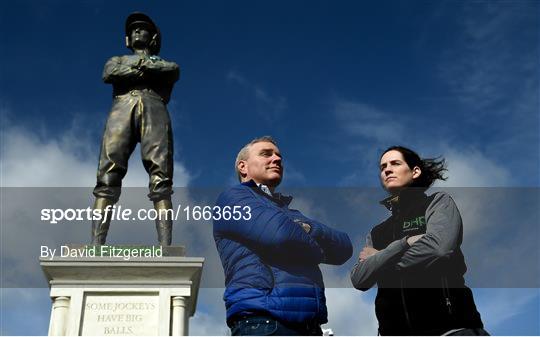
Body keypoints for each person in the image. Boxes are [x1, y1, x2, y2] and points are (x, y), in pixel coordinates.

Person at [213, 136, 353, 336]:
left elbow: (344, 248)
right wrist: (317, 249)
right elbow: (281, 234)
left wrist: (307, 230)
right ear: (243, 167)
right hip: (265, 322)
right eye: (266, 154)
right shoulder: (232, 199)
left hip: (310, 327)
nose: (276, 159)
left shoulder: (291, 212)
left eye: (278, 155)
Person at [350, 146, 488, 336]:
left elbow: (438, 249)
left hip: (452, 329)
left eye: (395, 163)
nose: (387, 170)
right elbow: (359, 278)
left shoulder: (437, 203)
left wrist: (380, 260)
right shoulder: (377, 232)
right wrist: (404, 243)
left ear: (415, 171)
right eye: (382, 167)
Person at [91, 12, 180, 245]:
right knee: (108, 170)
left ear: (152, 38)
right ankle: (96, 243)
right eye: (133, 30)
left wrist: (138, 69)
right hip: (122, 107)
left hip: (154, 107)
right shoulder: (117, 59)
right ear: (127, 39)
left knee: (161, 174)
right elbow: (110, 73)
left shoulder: (163, 63)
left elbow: (172, 70)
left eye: (142, 29)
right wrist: (145, 68)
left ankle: (165, 246)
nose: (136, 32)